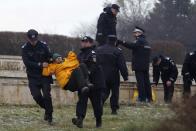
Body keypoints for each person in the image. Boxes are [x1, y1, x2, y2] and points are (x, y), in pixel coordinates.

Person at [72, 36, 105, 128]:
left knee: (96, 103)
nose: (83, 43)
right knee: (81, 101)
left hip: (95, 83)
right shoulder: (80, 54)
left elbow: (94, 65)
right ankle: (80, 119)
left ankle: (99, 121)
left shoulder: (94, 53)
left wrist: (87, 73)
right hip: (83, 84)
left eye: (86, 41)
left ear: (90, 43)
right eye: (82, 41)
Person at [21, 29, 53, 124]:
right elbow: (27, 62)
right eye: (31, 40)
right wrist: (40, 64)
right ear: (28, 39)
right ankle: (48, 109)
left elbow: (49, 56)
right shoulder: (25, 48)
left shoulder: (43, 45)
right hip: (32, 76)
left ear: (37, 38)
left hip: (44, 75)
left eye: (35, 40)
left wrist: (52, 59)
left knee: (47, 95)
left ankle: (49, 115)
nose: (33, 42)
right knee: (36, 96)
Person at [117, 26, 152, 103]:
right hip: (145, 65)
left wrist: (122, 42)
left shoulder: (139, 41)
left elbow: (131, 46)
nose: (134, 34)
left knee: (141, 83)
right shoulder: (146, 42)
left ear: (140, 33)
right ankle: (149, 98)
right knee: (146, 82)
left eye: (135, 32)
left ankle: (142, 98)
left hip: (139, 65)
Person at [96, 36, 128, 114]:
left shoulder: (99, 49)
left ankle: (100, 103)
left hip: (102, 74)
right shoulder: (117, 51)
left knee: (104, 92)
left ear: (107, 40)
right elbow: (122, 65)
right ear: (115, 42)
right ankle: (114, 110)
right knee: (115, 93)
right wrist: (125, 76)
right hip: (113, 75)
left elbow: (95, 62)